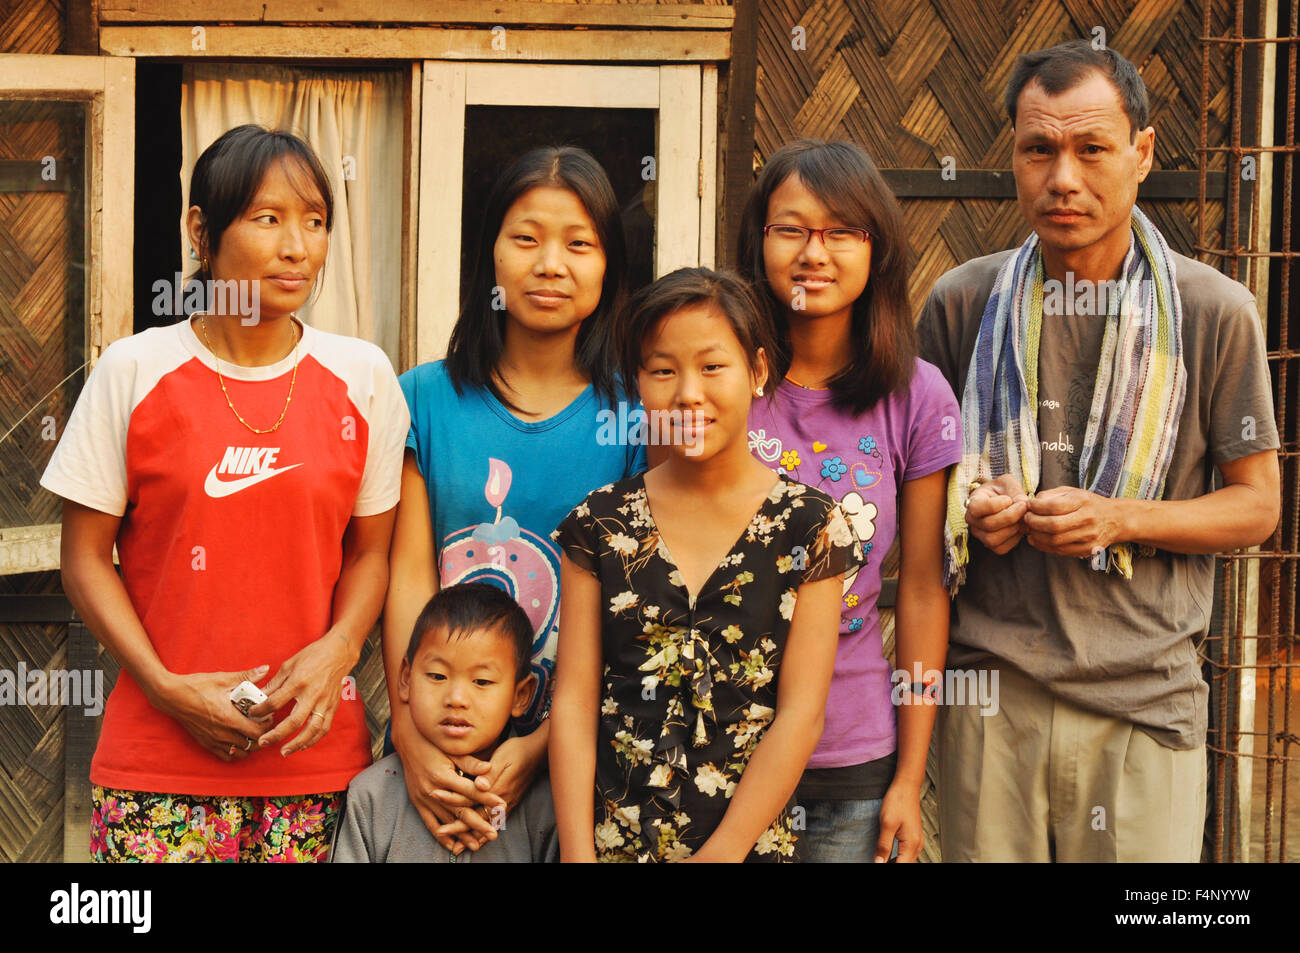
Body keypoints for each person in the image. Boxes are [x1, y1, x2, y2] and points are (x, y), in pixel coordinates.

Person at [916, 40, 1281, 862]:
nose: (1063, 178)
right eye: (1039, 149)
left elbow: (1258, 506)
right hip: (991, 693)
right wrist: (965, 508)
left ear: (1142, 152)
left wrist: (1118, 517)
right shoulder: (961, 302)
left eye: (1092, 149)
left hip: (1144, 700)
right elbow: (917, 489)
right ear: (1012, 153)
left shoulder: (1214, 311)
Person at [42, 124, 409, 861]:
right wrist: (167, 686)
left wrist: (338, 651)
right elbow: (84, 559)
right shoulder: (135, 371)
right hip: (155, 768)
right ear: (200, 231)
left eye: (315, 221)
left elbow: (373, 552)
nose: (298, 246)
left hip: (315, 769)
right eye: (268, 218)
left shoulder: (363, 377)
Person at [549, 267, 862, 862]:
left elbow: (801, 714)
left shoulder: (811, 525)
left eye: (712, 366)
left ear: (759, 372)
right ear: (638, 384)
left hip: (747, 846)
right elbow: (574, 702)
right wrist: (576, 854)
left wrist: (723, 853)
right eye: (663, 370)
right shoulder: (599, 525)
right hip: (613, 843)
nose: (688, 392)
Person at [385, 146, 646, 856]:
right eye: (525, 238)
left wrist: (540, 747)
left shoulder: (636, 417)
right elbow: (406, 575)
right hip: (433, 748)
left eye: (579, 243)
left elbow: (630, 615)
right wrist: (409, 736)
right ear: (490, 256)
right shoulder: (420, 401)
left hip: (575, 760)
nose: (550, 263)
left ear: (609, 266)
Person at [737, 139, 960, 863]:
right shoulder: (716, 376)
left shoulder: (917, 395)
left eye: (841, 232)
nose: (814, 253)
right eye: (791, 228)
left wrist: (909, 776)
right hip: (722, 741)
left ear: (877, 249)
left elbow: (923, 589)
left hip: (852, 757)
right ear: (758, 240)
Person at [333, 583, 559, 863]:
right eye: (438, 676)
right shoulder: (371, 796)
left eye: (482, 681)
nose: (456, 698)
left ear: (520, 695)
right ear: (405, 678)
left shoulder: (546, 806)